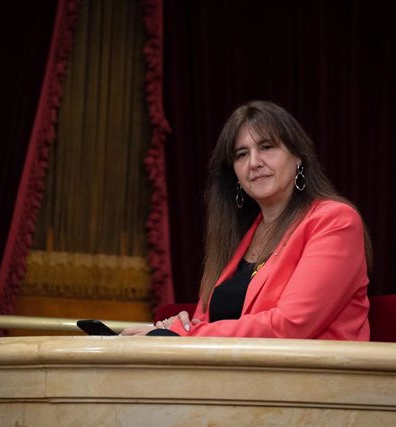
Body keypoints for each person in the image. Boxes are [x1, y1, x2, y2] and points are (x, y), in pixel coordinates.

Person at [121, 100, 372, 340]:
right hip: (238, 376)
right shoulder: (243, 234)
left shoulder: (335, 220)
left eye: (266, 147)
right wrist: (181, 326)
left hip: (309, 378)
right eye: (242, 154)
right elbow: (207, 323)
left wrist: (182, 334)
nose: (254, 163)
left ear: (298, 158)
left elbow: (291, 325)